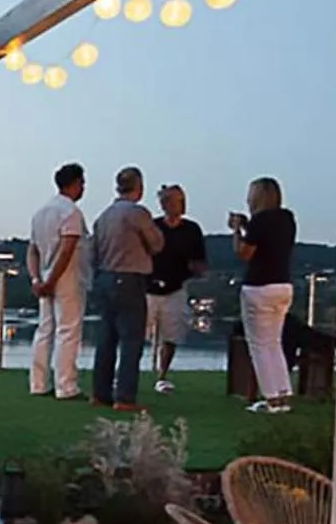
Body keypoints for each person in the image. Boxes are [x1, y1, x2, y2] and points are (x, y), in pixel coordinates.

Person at [89, 166, 163, 410]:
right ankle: (125, 397)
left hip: (104, 279)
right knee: (131, 340)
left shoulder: (103, 216)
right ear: (139, 188)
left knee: (106, 339)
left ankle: (100, 393)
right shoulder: (137, 214)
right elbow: (156, 243)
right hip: (130, 279)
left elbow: (93, 253)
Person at [231, 176, 298, 413]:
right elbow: (268, 237)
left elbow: (244, 253)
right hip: (283, 285)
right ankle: (282, 393)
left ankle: (270, 398)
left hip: (259, 286)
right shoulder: (287, 219)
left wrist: (237, 231)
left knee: (259, 344)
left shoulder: (259, 221)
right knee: (274, 342)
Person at [27, 163, 89, 400]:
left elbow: (32, 250)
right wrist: (52, 279)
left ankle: (38, 383)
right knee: (68, 330)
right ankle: (66, 385)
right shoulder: (70, 213)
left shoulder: (40, 213)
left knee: (45, 329)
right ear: (75, 184)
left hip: (44, 276)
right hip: (66, 278)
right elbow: (67, 249)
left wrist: (36, 278)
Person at [146, 184, 208, 394]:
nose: (179, 205)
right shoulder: (152, 227)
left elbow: (200, 260)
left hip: (175, 288)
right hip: (149, 287)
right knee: (136, 333)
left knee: (171, 335)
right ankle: (128, 374)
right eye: (174, 201)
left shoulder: (192, 230)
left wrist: (196, 269)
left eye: (181, 201)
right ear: (164, 204)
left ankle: (162, 376)